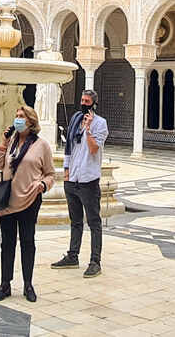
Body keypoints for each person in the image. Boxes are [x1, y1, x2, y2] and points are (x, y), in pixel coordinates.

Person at [0, 104, 55, 303]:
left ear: (31, 121)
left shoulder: (41, 145)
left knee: (27, 242)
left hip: (29, 199)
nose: (17, 119)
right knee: (7, 243)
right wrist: (3, 142)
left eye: (21, 116)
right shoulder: (10, 143)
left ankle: (28, 284)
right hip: (7, 200)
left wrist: (43, 185)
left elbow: (51, 173)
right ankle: (5, 284)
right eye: (16, 115)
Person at [51, 89, 108, 277]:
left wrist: (90, 128)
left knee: (94, 222)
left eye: (86, 101)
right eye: (82, 100)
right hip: (72, 179)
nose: (83, 103)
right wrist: (66, 172)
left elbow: (93, 149)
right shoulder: (75, 120)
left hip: (88, 180)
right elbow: (69, 148)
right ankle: (72, 256)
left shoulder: (100, 124)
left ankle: (95, 261)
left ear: (94, 103)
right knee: (75, 221)